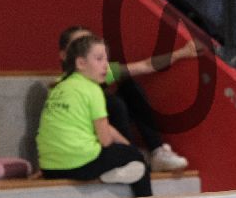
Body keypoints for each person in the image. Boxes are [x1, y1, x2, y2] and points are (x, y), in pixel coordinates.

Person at [57, 25, 197, 172]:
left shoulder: (104, 72)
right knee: (113, 103)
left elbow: (145, 65)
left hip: (110, 128)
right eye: (78, 45)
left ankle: (157, 151)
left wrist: (182, 53)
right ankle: (129, 157)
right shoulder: (62, 86)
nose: (85, 50)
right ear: (64, 55)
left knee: (129, 86)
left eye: (88, 43)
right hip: (87, 136)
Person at [36, 34, 152, 196]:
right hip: (81, 166)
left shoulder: (58, 86)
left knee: (129, 153)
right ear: (81, 63)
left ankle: (113, 172)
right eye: (99, 59)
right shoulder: (92, 89)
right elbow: (106, 141)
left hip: (49, 169)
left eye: (106, 59)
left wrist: (127, 147)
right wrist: (132, 152)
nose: (106, 65)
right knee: (138, 161)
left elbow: (107, 128)